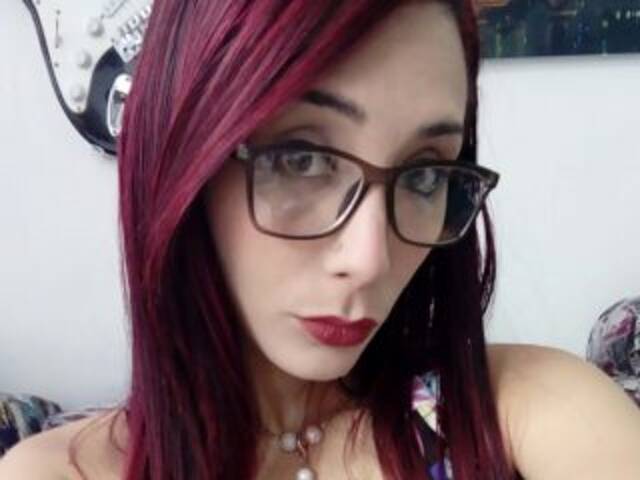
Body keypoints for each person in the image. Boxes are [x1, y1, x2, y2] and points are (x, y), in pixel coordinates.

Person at [2, 1, 640, 479]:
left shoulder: (526, 410)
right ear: (185, 159)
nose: (369, 260)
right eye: (301, 158)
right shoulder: (60, 472)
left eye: (424, 173)